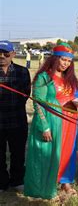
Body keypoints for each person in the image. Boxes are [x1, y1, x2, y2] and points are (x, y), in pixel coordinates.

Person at [24, 43, 78, 199]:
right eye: (63, 60)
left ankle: (64, 182)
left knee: (65, 153)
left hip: (69, 122)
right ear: (55, 58)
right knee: (46, 155)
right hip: (51, 122)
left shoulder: (69, 78)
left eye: (69, 61)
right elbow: (38, 102)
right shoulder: (44, 77)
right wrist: (44, 126)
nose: (65, 64)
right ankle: (42, 190)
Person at [0, 40, 31, 193]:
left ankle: (17, 180)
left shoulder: (22, 71)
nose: (2, 56)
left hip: (17, 119)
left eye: (5, 53)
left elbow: (25, 94)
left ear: (12, 54)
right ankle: (1, 182)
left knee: (18, 153)